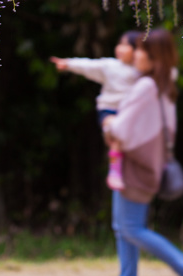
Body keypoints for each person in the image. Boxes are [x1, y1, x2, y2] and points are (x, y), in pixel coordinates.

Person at [97, 28, 183, 276]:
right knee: (123, 226)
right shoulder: (165, 85)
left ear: (154, 57)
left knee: (131, 227)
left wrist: (108, 124)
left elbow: (121, 126)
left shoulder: (146, 86)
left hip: (136, 165)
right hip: (151, 162)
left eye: (142, 50)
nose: (136, 55)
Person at [50, 31, 141, 190]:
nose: (120, 48)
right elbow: (89, 65)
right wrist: (69, 64)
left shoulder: (140, 71)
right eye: (119, 43)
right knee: (118, 132)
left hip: (130, 116)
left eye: (126, 45)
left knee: (127, 139)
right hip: (110, 112)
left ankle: (129, 171)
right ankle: (115, 172)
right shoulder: (110, 66)